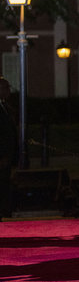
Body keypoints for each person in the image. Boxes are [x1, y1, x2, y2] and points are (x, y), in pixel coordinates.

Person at [0, 76, 18, 216]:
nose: (8, 90)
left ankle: (6, 211)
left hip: (7, 157)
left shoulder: (5, 106)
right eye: (6, 87)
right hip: (2, 157)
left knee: (6, 184)